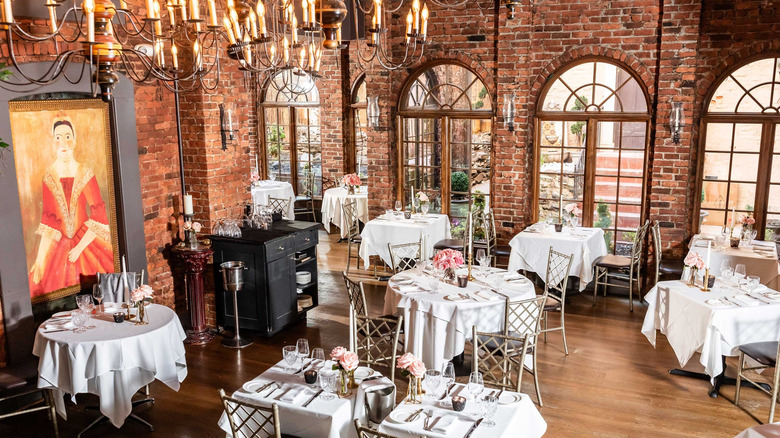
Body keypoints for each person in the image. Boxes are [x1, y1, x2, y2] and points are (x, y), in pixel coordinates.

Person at [28, 117, 114, 298]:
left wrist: (79, 248)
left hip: (86, 241)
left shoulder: (86, 173)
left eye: (68, 136)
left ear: (74, 140)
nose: (63, 143)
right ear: (52, 143)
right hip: (58, 245)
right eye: (58, 138)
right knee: (41, 284)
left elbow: (99, 216)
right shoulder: (49, 176)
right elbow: (49, 221)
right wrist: (40, 258)